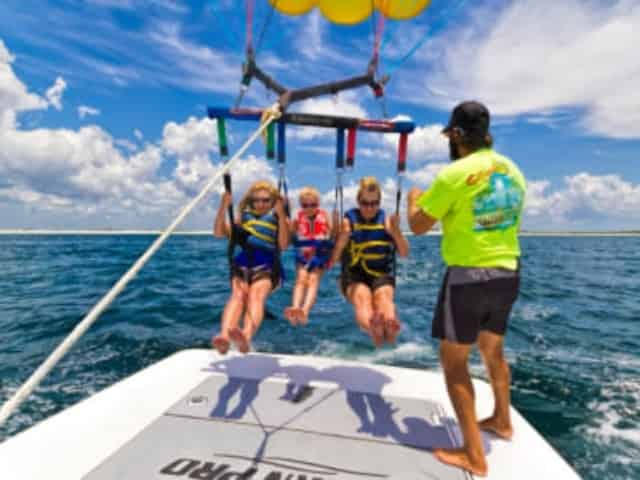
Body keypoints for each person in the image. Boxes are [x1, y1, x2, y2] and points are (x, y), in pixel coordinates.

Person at [407, 101, 526, 477]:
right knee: (493, 350)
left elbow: (420, 226)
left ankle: (474, 455)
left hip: (467, 279)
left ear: (455, 135)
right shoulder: (514, 171)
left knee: (454, 364)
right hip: (508, 272)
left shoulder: (454, 174)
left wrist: (413, 202)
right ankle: (502, 421)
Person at [329, 177, 409, 347]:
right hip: (353, 276)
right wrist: (341, 240)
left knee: (384, 298)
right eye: (365, 203)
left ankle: (389, 325)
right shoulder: (348, 221)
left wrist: (396, 233)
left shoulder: (386, 221)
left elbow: (404, 253)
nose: (370, 208)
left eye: (375, 203)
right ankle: (374, 327)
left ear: (379, 202)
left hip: (381, 274)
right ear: (358, 201)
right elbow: (333, 261)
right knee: (362, 297)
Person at [212, 180, 289, 354]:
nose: (260, 204)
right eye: (256, 200)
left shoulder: (279, 220)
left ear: (273, 202)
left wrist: (282, 214)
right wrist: (223, 207)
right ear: (250, 201)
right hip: (243, 263)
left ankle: (246, 336)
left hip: (268, 265)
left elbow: (283, 245)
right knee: (238, 296)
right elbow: (218, 233)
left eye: (266, 200)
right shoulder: (243, 220)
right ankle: (224, 336)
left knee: (256, 295)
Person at [284, 187, 336, 325]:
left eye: (313, 205)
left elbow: (332, 234)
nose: (309, 208)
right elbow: (291, 235)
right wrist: (287, 223)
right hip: (303, 253)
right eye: (305, 205)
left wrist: (336, 226)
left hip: (320, 254)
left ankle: (305, 311)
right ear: (301, 205)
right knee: (301, 279)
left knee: (313, 280)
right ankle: (295, 306)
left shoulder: (325, 215)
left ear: (318, 204)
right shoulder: (298, 218)